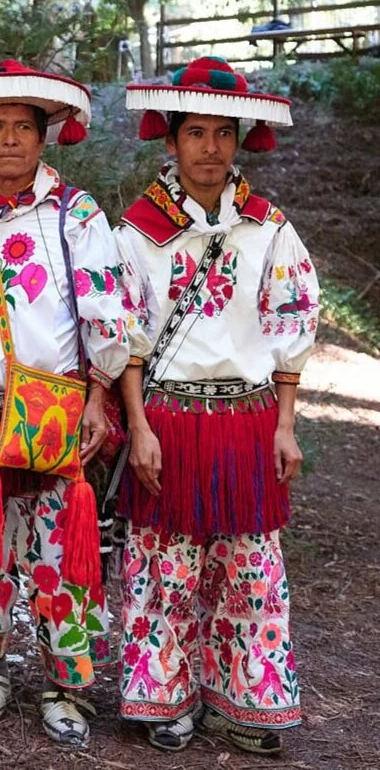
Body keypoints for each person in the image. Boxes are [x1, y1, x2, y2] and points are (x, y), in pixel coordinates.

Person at [0, 60, 143, 748]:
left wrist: (99, 396)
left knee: (57, 553)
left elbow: (109, 312)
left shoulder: (75, 216)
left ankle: (64, 684)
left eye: (24, 126)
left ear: (46, 137)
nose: (11, 139)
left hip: (52, 413)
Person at [114, 56, 319, 754]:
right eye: (195, 133)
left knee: (250, 572)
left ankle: (245, 699)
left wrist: (286, 426)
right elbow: (125, 335)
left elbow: (291, 322)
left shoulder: (269, 228)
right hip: (167, 422)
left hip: (248, 421)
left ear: (239, 139)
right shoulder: (138, 232)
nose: (210, 148)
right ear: (170, 141)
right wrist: (137, 425)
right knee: (166, 569)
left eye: (222, 133)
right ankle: (163, 695)